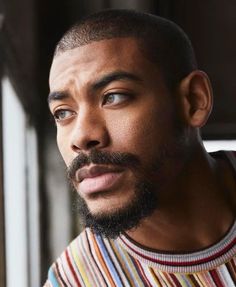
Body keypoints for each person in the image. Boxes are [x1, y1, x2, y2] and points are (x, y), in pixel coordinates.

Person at [44, 9, 236, 286]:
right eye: (63, 113)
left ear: (193, 101)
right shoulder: (74, 281)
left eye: (114, 97)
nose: (81, 136)